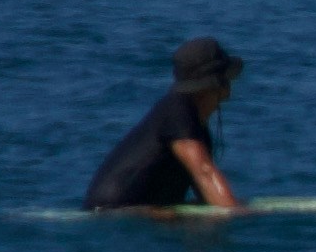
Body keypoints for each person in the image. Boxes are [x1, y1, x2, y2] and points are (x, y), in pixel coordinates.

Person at [86, 39, 246, 214]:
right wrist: (237, 215)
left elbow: (205, 188)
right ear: (218, 84)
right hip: (115, 211)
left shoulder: (194, 126)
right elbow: (205, 173)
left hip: (128, 211)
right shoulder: (178, 113)